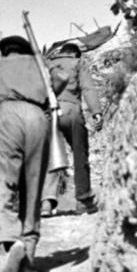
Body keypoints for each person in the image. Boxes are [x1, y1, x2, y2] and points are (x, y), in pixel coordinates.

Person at [0, 35, 68, 272]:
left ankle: (10, 239)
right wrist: (48, 88)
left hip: (5, 118)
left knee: (2, 186)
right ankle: (27, 254)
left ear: (5, 52)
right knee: (33, 187)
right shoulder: (37, 64)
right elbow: (62, 78)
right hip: (38, 117)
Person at [40, 41, 102, 217]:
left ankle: (46, 202)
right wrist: (96, 112)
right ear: (75, 54)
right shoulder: (78, 63)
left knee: (50, 156)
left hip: (48, 113)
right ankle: (83, 201)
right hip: (71, 112)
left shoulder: (47, 63)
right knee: (80, 154)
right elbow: (87, 88)